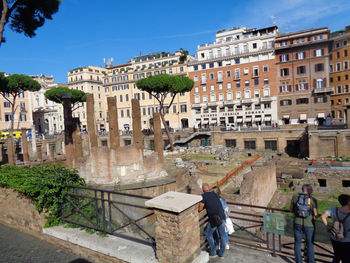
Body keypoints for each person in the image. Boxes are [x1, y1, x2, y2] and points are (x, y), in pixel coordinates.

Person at [290, 184, 319, 263]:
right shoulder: (313, 200)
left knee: (297, 243)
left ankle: (299, 261)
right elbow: (316, 215)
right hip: (309, 224)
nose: (312, 190)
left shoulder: (295, 197)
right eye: (311, 189)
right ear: (308, 190)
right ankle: (311, 261)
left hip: (297, 223)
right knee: (310, 244)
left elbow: (290, 210)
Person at [198, 183, 226, 258]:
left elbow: (200, 208)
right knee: (222, 236)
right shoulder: (214, 194)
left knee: (208, 233)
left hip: (214, 218)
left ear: (203, 189)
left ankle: (213, 251)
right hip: (222, 217)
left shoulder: (204, 196)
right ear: (209, 189)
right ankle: (221, 253)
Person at [320, 194, 350, 263]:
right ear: (348, 202)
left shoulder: (333, 209)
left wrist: (328, 226)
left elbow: (322, 216)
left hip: (335, 237)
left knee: (336, 256)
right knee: (346, 259)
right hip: (347, 240)